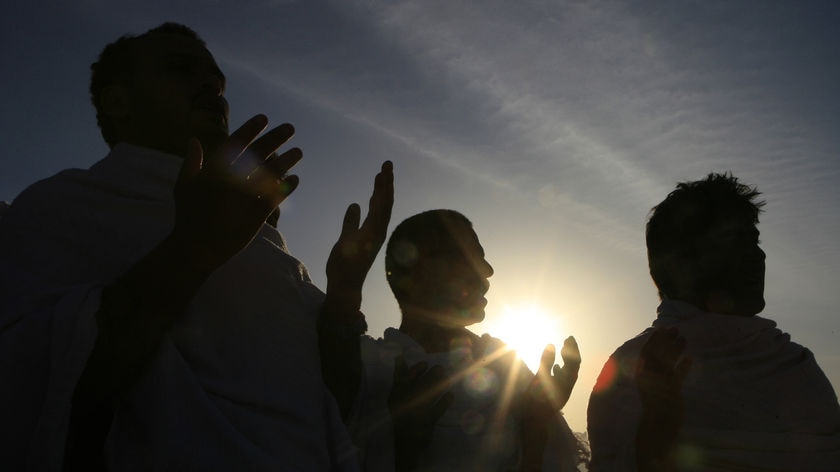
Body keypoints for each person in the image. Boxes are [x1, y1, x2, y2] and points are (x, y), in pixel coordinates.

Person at [0, 23, 393, 471]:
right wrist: (191, 252)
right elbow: (38, 391)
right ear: (118, 101)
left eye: (218, 81)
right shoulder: (58, 208)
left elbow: (328, 404)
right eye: (181, 69)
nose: (211, 86)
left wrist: (343, 295)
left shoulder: (263, 239)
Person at [587, 173, 840, 471]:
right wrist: (654, 436)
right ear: (682, 261)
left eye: (754, 239)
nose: (757, 254)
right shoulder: (632, 375)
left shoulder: (795, 365)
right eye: (734, 240)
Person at [348, 209, 583, 471]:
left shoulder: (505, 364)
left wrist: (537, 421)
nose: (488, 270)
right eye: (470, 256)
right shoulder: (367, 369)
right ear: (418, 270)